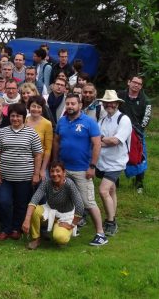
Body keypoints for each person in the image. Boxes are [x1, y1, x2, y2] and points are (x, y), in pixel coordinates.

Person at [52, 93, 107, 246]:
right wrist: (56, 161)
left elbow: (97, 144)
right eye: (67, 104)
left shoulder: (89, 122)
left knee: (88, 202)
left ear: (80, 105)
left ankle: (101, 234)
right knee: (65, 200)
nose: (69, 106)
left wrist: (92, 166)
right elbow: (56, 142)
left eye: (73, 104)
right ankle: (68, 229)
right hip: (64, 169)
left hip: (82, 169)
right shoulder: (62, 121)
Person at [0, 103, 43, 241]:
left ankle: (16, 228)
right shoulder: (2, 132)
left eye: (18, 116)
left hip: (25, 177)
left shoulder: (31, 133)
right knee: (4, 202)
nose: (15, 118)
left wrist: (36, 174)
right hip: (5, 177)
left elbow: (38, 154)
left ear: (23, 117)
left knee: (21, 204)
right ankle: (5, 228)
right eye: (12, 116)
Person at [22, 161, 84, 250]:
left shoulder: (69, 184)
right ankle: (36, 239)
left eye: (58, 171)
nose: (55, 174)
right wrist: (27, 220)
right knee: (34, 210)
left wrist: (72, 225)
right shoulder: (47, 183)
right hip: (50, 211)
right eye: (52, 171)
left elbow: (80, 206)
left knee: (60, 238)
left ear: (64, 172)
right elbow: (34, 200)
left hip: (65, 216)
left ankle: (61, 233)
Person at [96, 90, 132, 236]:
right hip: (103, 161)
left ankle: (111, 222)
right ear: (103, 104)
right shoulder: (103, 120)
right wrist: (106, 140)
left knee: (103, 190)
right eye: (107, 102)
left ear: (117, 103)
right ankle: (112, 217)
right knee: (111, 191)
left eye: (112, 102)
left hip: (117, 162)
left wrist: (103, 139)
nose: (109, 105)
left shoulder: (124, 120)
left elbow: (116, 141)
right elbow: (100, 141)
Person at [118, 75, 151, 192]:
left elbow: (146, 118)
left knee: (140, 157)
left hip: (136, 132)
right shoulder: (120, 95)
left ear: (141, 87)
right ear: (129, 82)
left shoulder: (145, 100)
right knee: (116, 155)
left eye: (139, 84)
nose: (136, 85)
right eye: (134, 82)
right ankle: (114, 181)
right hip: (119, 131)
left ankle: (139, 184)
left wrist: (139, 130)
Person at [26, 96, 54, 179]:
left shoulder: (47, 124)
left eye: (39, 107)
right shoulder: (24, 121)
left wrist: (42, 169)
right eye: (33, 106)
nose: (36, 109)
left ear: (42, 109)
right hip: (24, 162)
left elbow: (48, 149)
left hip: (40, 162)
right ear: (29, 107)